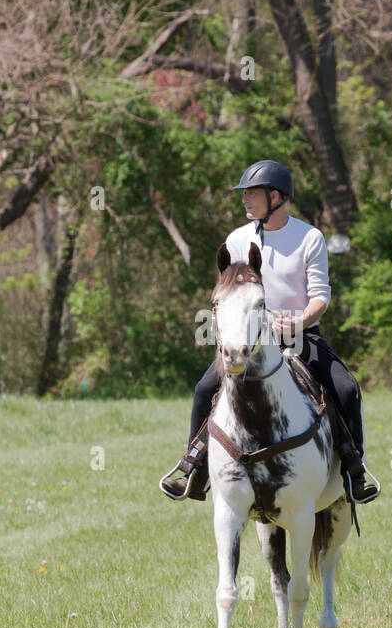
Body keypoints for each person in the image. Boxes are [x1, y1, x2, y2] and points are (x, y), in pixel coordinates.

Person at [160, 159, 379, 504]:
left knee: (346, 388)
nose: (244, 200)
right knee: (204, 389)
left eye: (251, 193)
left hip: (300, 337)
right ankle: (193, 468)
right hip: (248, 341)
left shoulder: (310, 237)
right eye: (244, 194)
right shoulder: (236, 240)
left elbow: (321, 296)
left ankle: (355, 471)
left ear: (275, 197)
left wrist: (298, 322)